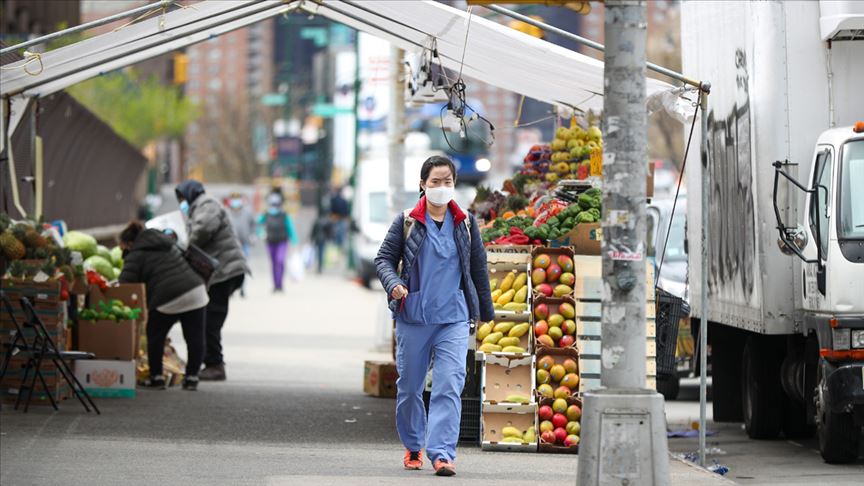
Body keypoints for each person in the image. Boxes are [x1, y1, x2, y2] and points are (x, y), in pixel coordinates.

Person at [375, 155, 495, 477]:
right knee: (411, 387)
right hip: (414, 315)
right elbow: (384, 259)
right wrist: (394, 284)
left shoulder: (465, 223)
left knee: (449, 384)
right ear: (422, 185)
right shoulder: (407, 221)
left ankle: (442, 453)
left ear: (455, 184)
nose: (442, 188)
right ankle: (414, 444)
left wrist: (484, 311)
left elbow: (478, 269)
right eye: (435, 182)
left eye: (448, 182)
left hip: (453, 318)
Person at [118, 221, 208, 391]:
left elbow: (125, 284)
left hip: (168, 296)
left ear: (130, 243)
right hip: (196, 290)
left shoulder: (136, 254)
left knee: (155, 334)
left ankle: (157, 378)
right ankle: (192, 378)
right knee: (195, 337)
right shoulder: (165, 242)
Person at [175, 180, 249, 381]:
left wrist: (183, 244)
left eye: (182, 198)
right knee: (209, 317)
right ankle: (212, 362)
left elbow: (203, 230)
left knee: (210, 319)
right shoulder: (199, 206)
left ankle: (215, 364)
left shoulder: (207, 204)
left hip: (225, 271)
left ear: (190, 193)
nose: (182, 203)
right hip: (222, 270)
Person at [258, 192, 298, 292]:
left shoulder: (284, 215)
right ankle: (275, 285)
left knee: (280, 261)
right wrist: (261, 233)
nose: (274, 206)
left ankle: (280, 284)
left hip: (282, 241)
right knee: (274, 263)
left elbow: (290, 228)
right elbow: (257, 224)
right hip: (270, 241)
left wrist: (294, 241)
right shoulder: (266, 214)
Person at [225, 192, 255, 297]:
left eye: (238, 199)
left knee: (243, 267)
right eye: (234, 199)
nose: (236, 202)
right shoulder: (226, 213)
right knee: (232, 268)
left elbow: (253, 225)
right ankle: (231, 289)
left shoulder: (247, 212)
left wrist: (252, 236)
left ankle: (242, 288)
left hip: (245, 244)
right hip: (231, 244)